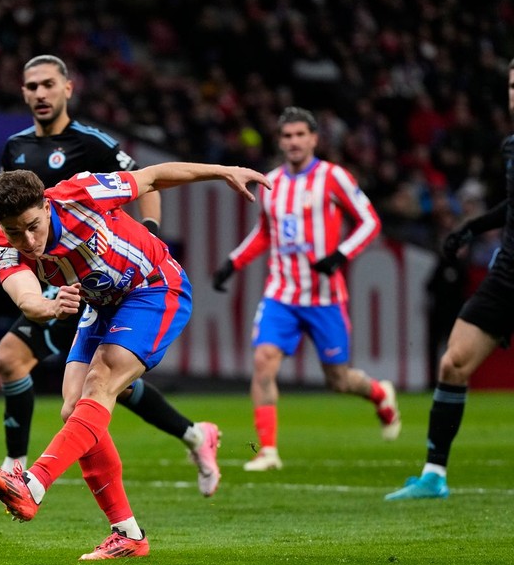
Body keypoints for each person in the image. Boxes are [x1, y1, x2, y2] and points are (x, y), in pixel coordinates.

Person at [0, 163, 269, 560]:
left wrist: (222, 171)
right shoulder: (1, 245)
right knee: (74, 408)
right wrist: (49, 304)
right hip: (103, 304)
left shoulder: (81, 196)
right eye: (14, 231)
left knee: (103, 379)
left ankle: (33, 484)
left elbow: (152, 177)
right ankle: (127, 533)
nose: (27, 240)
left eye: (32, 226)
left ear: (46, 205)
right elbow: (26, 299)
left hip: (155, 288)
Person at [0, 55, 222, 500]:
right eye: (31, 86)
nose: (39, 93)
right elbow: (16, 220)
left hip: (114, 276)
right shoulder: (15, 149)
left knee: (51, 371)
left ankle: (17, 469)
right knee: (101, 389)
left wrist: (149, 236)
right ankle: (192, 437)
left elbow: (146, 181)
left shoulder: (91, 146)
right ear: (22, 93)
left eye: (47, 84)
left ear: (67, 88)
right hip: (59, 281)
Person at [211, 106, 400, 472]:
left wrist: (340, 255)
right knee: (263, 362)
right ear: (280, 141)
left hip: (325, 297)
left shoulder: (334, 177)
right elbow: (265, 233)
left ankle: (380, 394)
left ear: (314, 139)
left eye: (300, 135)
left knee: (339, 380)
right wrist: (232, 262)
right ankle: (267, 450)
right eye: (287, 136)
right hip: (281, 293)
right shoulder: (271, 183)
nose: (294, 142)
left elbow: (370, 221)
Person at [386, 60, 514, 500]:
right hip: (507, 275)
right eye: (513, 86)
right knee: (452, 363)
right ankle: (434, 475)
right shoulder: (511, 146)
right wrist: (473, 227)